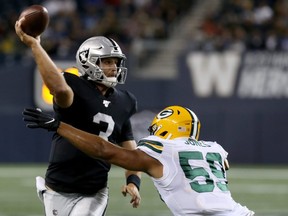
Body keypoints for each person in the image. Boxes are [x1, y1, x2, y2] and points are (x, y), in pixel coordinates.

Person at [23, 105, 255, 216]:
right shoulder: (215, 149)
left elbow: (105, 150)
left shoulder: (162, 148)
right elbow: (221, 166)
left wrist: (58, 126)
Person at [15, 18, 141, 216]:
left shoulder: (125, 101)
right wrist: (35, 45)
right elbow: (58, 87)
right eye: (107, 61)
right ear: (88, 61)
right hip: (57, 187)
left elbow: (132, 155)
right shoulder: (74, 86)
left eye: (116, 62)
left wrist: (133, 182)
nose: (114, 68)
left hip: (94, 191)